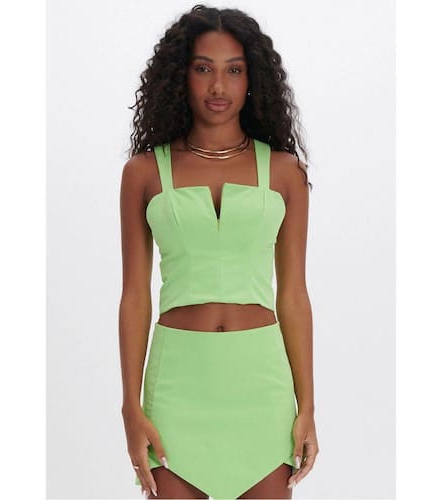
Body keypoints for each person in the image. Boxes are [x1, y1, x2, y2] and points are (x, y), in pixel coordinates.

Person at [119, 4, 318, 499]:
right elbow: (135, 297)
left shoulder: (285, 172)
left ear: (253, 79)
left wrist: (308, 406)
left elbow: (293, 295)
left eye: (234, 70)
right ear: (180, 76)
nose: (218, 86)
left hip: (262, 386)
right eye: (203, 68)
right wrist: (130, 406)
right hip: (177, 386)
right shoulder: (144, 173)